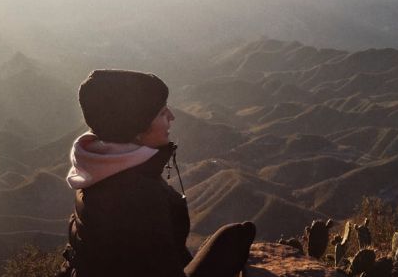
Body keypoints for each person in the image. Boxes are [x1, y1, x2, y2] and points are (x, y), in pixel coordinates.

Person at [58, 69, 255, 277]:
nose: (172, 116)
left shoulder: (97, 170)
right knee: (235, 238)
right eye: (161, 113)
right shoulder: (138, 196)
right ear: (136, 128)